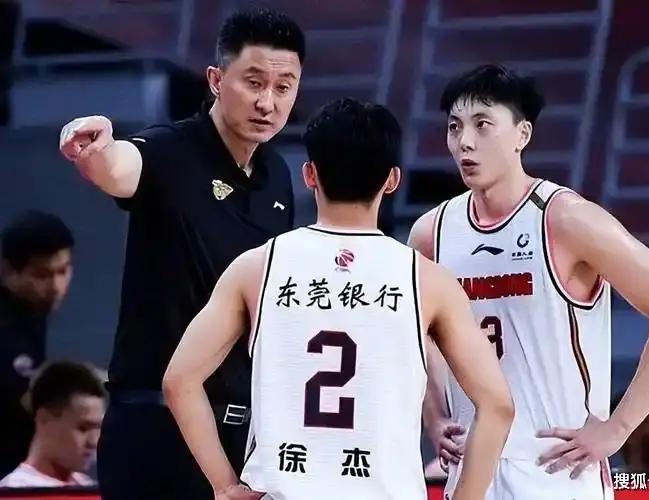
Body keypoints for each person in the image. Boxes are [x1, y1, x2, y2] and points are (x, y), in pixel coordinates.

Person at [163, 98, 515, 500]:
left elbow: (179, 380)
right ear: (392, 180)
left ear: (309, 174)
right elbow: (498, 406)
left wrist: (225, 485)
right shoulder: (428, 280)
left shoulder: (256, 267)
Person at [409, 64, 649, 500]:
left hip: (555, 470)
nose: (465, 141)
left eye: (482, 124)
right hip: (472, 471)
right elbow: (419, 336)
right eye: (455, 127)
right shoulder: (431, 232)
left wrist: (618, 428)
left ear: (522, 134)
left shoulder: (566, 218)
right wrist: (434, 418)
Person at [57, 7, 304, 499]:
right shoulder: (171, 150)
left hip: (239, 433)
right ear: (216, 79)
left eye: (284, 87)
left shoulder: (278, 176)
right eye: (253, 82)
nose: (267, 102)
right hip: (155, 430)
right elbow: (122, 166)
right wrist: (97, 151)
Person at [0, 211, 74, 478]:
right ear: (9, 272)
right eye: (42, 275)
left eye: (62, 271)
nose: (56, 286)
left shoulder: (33, 312)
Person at [0, 361, 105, 488]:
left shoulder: (89, 487)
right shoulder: (14, 490)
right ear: (44, 419)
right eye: (82, 428)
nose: (93, 442)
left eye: (98, 428)